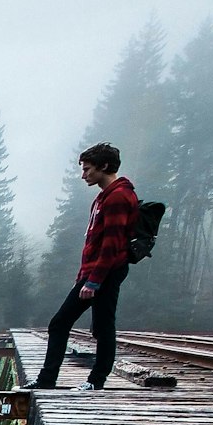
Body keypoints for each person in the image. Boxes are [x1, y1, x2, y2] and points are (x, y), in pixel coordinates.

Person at [35, 143, 140, 390]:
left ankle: (85, 381)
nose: (83, 175)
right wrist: (84, 275)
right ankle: (62, 380)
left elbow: (112, 245)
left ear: (104, 166)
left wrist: (93, 281)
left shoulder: (117, 197)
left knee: (70, 324)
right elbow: (96, 241)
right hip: (97, 271)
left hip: (106, 271)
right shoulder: (105, 196)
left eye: (87, 169)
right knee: (98, 327)